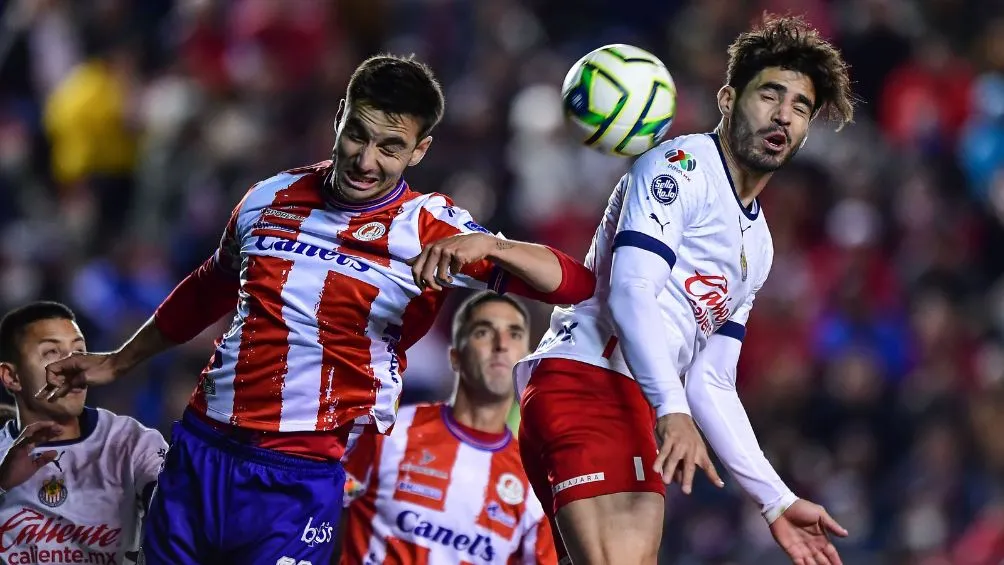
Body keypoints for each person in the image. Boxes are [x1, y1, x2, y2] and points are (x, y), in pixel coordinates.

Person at [39, 55, 595, 565]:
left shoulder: (430, 226)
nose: (365, 159)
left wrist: (493, 246)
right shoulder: (268, 196)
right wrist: (118, 362)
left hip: (299, 476)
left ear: (419, 151)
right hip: (200, 451)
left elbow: (575, 285)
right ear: (340, 117)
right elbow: (211, 285)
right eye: (357, 134)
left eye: (390, 147)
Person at [513, 15, 855, 565]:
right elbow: (630, 292)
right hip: (592, 384)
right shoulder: (680, 166)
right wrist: (671, 408)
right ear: (728, 97)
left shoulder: (760, 242)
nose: (783, 116)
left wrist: (775, 500)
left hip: (620, 400)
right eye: (770, 94)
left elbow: (713, 379)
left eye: (799, 107)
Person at [338, 291, 556, 564]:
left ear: (526, 362)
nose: (501, 344)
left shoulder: (533, 482)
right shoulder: (391, 432)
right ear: (455, 356)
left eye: (514, 334)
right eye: (483, 332)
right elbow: (328, 519)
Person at [0, 301, 167, 565]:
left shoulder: (130, 442)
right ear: (11, 377)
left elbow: (184, 510)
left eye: (79, 351)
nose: (74, 366)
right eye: (52, 352)